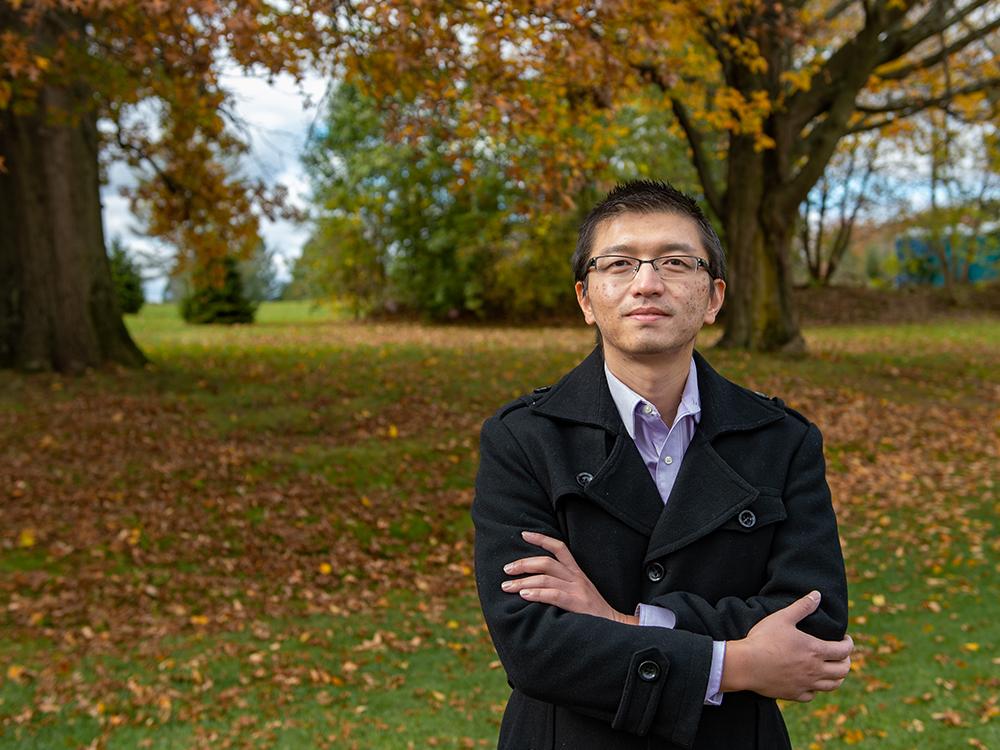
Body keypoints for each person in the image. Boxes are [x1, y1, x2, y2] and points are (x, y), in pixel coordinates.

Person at [472, 180, 851, 750]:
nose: (647, 283)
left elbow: (814, 625)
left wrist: (624, 621)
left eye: (675, 262)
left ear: (715, 296)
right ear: (585, 298)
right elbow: (533, 648)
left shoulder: (782, 440)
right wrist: (736, 663)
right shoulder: (523, 438)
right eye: (619, 264)